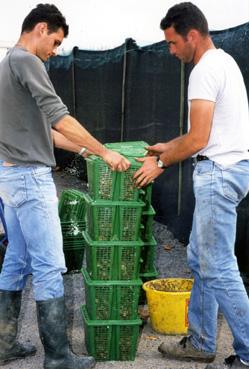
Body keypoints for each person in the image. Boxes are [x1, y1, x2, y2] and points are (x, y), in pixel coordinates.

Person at [0, 4, 130, 369]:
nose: (55, 50)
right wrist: (105, 152)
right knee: (48, 265)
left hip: (10, 176)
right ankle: (57, 357)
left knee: (17, 259)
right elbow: (60, 116)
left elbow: (51, 134)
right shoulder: (27, 61)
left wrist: (91, 150)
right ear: (41, 28)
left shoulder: (6, 65)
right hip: (29, 179)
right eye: (55, 42)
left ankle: (4, 345)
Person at [134, 2, 249, 368]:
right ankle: (200, 342)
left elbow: (199, 139)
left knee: (218, 265)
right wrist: (169, 145)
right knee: (202, 259)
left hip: (218, 173)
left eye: (172, 43)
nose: (170, 51)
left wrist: (161, 162)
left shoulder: (203, 70)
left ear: (192, 35)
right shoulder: (225, 62)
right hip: (230, 167)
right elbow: (208, 133)